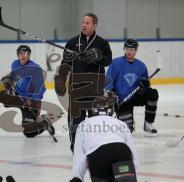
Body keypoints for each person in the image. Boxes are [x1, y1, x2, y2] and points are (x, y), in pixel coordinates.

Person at [54, 13, 112, 151]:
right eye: (83, 22)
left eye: (87, 23)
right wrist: (61, 78)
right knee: (75, 119)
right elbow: (65, 63)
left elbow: (108, 61)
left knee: (95, 120)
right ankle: (76, 145)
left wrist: (98, 56)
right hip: (77, 87)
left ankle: (96, 146)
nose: (84, 25)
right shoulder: (72, 42)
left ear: (94, 25)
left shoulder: (102, 43)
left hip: (95, 88)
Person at [0, 45, 55, 138]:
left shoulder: (35, 69)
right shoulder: (15, 64)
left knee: (29, 133)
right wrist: (9, 79)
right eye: (21, 53)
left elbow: (41, 88)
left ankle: (45, 122)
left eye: (26, 53)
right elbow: (15, 76)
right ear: (18, 55)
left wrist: (33, 101)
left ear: (29, 55)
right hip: (17, 96)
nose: (23, 56)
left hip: (30, 102)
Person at [69, 101, 138, 182]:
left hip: (99, 155)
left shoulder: (83, 124)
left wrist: (77, 177)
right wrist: (133, 174)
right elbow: (132, 151)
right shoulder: (120, 123)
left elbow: (79, 155)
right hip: (121, 151)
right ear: (111, 111)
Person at [106, 39, 159, 137]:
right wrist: (112, 93)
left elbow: (146, 83)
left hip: (136, 95)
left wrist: (145, 85)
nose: (129, 51)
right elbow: (108, 81)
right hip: (122, 99)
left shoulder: (141, 66)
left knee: (153, 93)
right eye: (127, 49)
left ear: (136, 50)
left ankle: (148, 123)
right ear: (124, 49)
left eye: (132, 49)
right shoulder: (116, 63)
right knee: (127, 131)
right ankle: (129, 122)